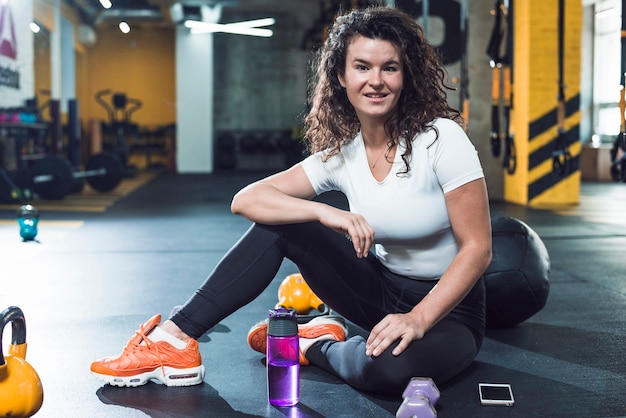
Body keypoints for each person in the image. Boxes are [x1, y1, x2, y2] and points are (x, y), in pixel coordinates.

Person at [91, 5, 492, 397]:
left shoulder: (440, 138)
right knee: (283, 225)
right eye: (362, 67)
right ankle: (175, 340)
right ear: (340, 76)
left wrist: (419, 318)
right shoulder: (342, 155)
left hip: (449, 314)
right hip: (379, 293)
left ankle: (312, 345)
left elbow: (477, 249)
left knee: (385, 371)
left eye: (390, 67)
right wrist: (323, 211)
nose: (377, 81)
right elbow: (247, 200)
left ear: (406, 76)